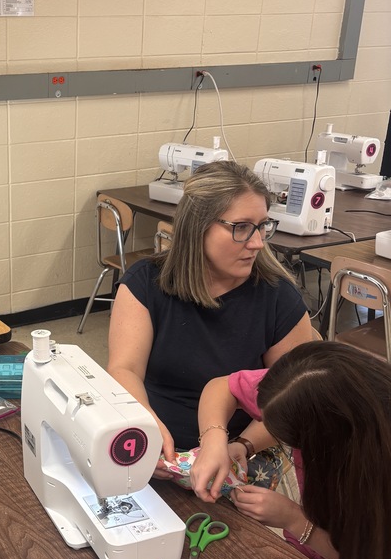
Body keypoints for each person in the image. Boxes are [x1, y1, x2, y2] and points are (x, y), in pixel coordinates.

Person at [108, 160, 313, 476]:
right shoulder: (145, 283)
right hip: (153, 440)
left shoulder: (278, 298)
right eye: (241, 227)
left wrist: (240, 446)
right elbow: (125, 369)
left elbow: (294, 401)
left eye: (262, 226)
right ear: (197, 227)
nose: (257, 242)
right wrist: (145, 428)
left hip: (240, 449)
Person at [190, 341, 390, 559]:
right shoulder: (310, 383)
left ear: (328, 442)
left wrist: (295, 520)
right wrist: (224, 442)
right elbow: (222, 387)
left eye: (289, 438)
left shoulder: (375, 477)